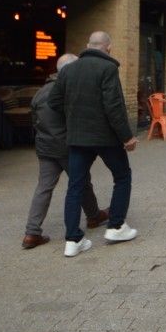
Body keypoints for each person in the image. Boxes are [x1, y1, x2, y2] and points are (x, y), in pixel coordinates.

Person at [52, 31, 139, 256]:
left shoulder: (69, 70)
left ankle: (72, 240)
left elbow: (54, 102)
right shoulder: (108, 69)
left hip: (78, 138)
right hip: (106, 138)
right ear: (108, 48)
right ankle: (116, 226)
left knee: (75, 186)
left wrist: (72, 119)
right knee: (122, 176)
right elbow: (114, 106)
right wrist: (127, 137)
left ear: (88, 45)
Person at [22, 54, 106, 250]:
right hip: (67, 146)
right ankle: (93, 216)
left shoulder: (40, 92)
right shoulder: (68, 91)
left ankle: (31, 232)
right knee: (81, 182)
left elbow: (34, 120)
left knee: (43, 188)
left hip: (45, 146)